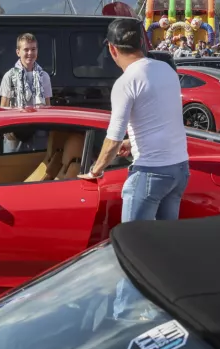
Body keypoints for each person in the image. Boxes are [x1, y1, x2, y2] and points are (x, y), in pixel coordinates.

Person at [79, 17, 188, 222]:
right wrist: (132, 142)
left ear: (112, 49)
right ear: (140, 43)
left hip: (150, 172)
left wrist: (95, 170)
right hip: (179, 168)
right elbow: (163, 119)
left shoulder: (126, 82)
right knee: (165, 237)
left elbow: (113, 139)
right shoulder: (167, 70)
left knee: (133, 237)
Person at [0, 33, 52, 152]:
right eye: (26, 49)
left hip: (38, 131)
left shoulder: (44, 77)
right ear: (18, 52)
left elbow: (48, 106)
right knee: (13, 162)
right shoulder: (9, 76)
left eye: (33, 49)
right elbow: (3, 107)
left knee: (37, 162)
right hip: (15, 131)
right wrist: (6, 131)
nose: (30, 53)